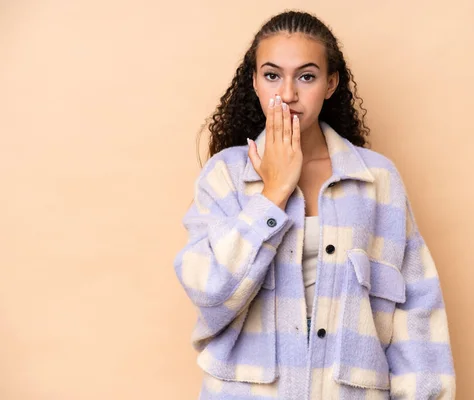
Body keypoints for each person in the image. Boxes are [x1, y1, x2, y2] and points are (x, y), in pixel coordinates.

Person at [174, 10, 455, 400]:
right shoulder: (226, 177)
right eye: (272, 75)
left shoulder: (377, 181)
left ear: (330, 83)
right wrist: (273, 194)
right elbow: (211, 295)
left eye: (306, 76)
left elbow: (417, 312)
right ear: (254, 81)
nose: (287, 93)